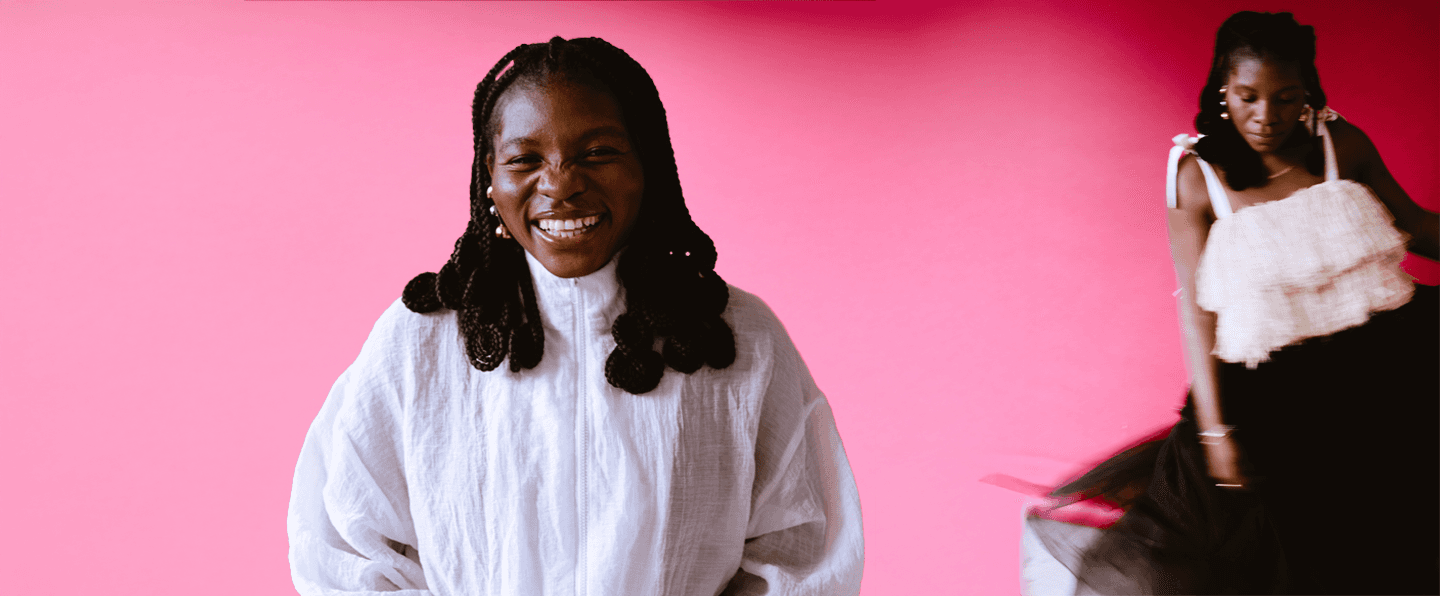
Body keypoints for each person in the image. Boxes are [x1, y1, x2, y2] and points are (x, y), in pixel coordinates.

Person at [287, 37, 864, 596]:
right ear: (490, 175)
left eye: (598, 153)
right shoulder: (419, 342)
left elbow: (802, 556)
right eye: (525, 158)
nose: (560, 184)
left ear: (648, 165)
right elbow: (344, 549)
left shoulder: (738, 338)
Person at [1022, 12, 1439, 595]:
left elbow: (1417, 227)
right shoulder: (1196, 175)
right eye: (1248, 96)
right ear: (1223, 89)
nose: (1265, 116)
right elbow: (1196, 310)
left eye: (1285, 97)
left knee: (1387, 548)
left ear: (1307, 93)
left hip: (1372, 376)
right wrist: (1216, 433)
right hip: (1269, 400)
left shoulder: (1340, 144)